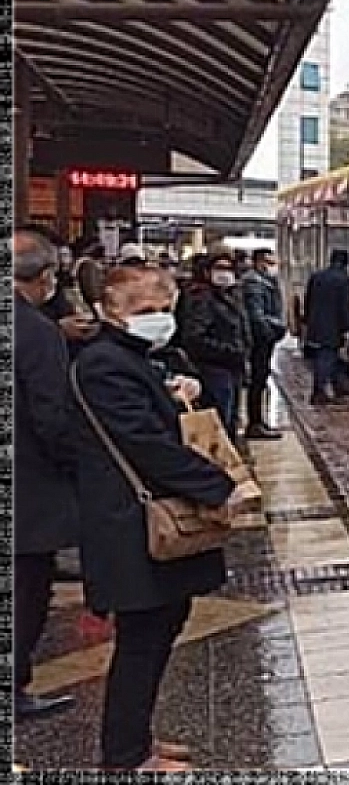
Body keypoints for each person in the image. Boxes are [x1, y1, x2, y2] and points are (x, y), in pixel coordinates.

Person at [71, 265, 252, 771]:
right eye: (143, 312)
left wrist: (179, 393)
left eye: (163, 311)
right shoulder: (104, 365)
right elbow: (148, 445)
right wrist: (221, 489)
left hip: (140, 521)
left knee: (159, 630)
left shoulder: (140, 358)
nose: (157, 321)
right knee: (140, 642)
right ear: (111, 310)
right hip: (131, 525)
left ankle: (139, 741)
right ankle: (126, 757)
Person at [11, 229, 83, 720]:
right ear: (41, 278)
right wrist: (74, 466)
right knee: (24, 594)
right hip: (26, 492)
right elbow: (51, 415)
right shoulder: (35, 331)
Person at [178, 248, 251, 442]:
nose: (224, 273)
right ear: (207, 271)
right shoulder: (201, 298)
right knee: (219, 423)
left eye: (228, 268)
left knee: (230, 422)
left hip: (231, 369)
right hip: (214, 371)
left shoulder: (230, 295)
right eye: (219, 267)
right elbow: (194, 338)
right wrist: (230, 352)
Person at [241, 248, 286, 439]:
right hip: (260, 342)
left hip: (262, 340)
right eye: (269, 262)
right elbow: (257, 316)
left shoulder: (261, 281)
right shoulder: (254, 282)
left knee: (260, 381)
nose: (272, 267)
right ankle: (255, 423)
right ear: (259, 262)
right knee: (257, 381)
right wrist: (272, 333)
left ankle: (258, 421)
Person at [302, 248, 349, 404]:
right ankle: (318, 392)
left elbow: (308, 300)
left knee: (329, 356)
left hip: (315, 323)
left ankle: (337, 386)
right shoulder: (345, 280)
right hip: (333, 326)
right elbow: (345, 306)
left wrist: (306, 321)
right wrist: (347, 327)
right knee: (326, 357)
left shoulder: (316, 277)